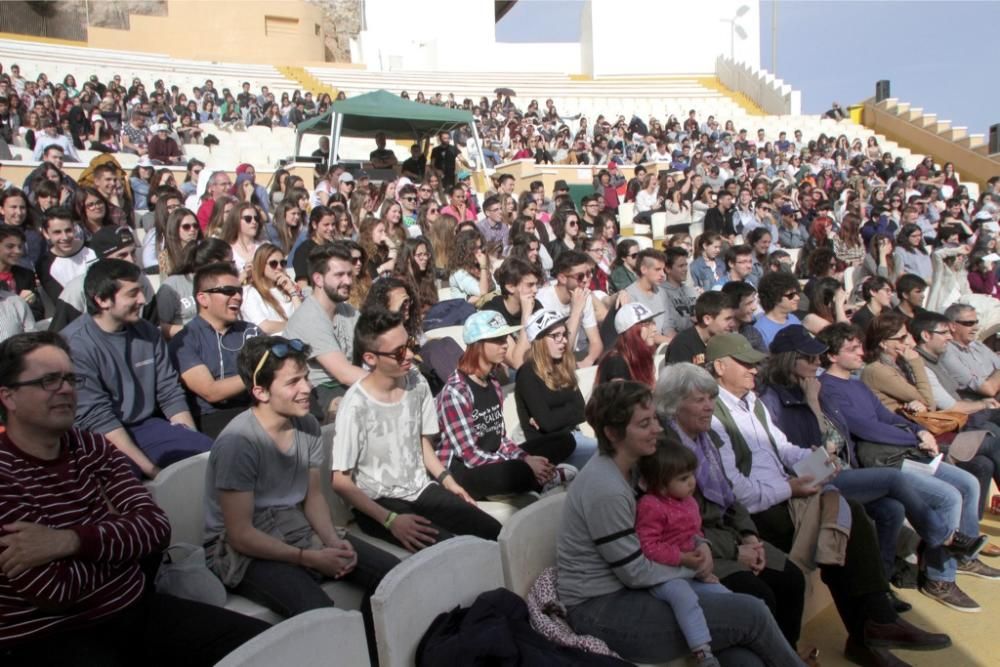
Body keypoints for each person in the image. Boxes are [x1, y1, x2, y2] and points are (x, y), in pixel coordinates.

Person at [0, 331, 267, 666]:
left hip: (133, 609)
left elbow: (156, 530)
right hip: (51, 636)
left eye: (70, 378)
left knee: (261, 646)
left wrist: (68, 541)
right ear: (8, 396)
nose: (66, 389)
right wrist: (121, 547)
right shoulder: (5, 474)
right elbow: (54, 591)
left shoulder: (91, 447)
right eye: (49, 380)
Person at [706, 332, 952, 663]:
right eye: (745, 362)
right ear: (719, 367)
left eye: (754, 362)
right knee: (845, 518)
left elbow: (783, 448)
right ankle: (874, 625)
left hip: (785, 495)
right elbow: (736, 491)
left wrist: (815, 459)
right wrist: (791, 488)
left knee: (847, 518)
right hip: (758, 512)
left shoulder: (754, 403)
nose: (753, 369)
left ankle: (872, 628)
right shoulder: (711, 413)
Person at [557, 380, 805, 666]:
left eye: (654, 419)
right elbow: (635, 573)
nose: (658, 429)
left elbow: (676, 522)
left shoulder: (639, 466)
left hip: (641, 589)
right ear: (613, 433)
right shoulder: (606, 488)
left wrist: (702, 544)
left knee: (744, 659)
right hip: (601, 608)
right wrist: (695, 568)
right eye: (645, 423)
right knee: (752, 612)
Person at [204, 336, 399, 662]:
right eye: (293, 381)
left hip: (292, 525)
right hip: (242, 550)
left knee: (392, 577)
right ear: (260, 392)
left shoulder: (306, 424)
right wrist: (309, 557)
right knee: (318, 611)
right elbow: (239, 533)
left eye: (306, 377)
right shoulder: (239, 442)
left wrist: (329, 541)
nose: (307, 388)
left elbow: (313, 497)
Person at [757, 325, 982, 593]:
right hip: (811, 478)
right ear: (790, 360)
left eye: (817, 357)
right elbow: (800, 455)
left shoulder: (809, 389)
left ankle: (882, 586)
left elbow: (867, 425)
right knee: (898, 480)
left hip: (832, 468)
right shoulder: (779, 399)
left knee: (893, 509)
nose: (816, 363)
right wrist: (815, 406)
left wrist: (919, 430)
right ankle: (943, 538)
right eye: (810, 358)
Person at [816, 323, 993, 611]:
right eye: (852, 349)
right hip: (885, 460)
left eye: (860, 346)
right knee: (947, 497)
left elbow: (884, 416)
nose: (861, 352)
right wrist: (912, 437)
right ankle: (940, 578)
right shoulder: (829, 389)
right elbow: (866, 428)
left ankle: (964, 556)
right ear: (832, 356)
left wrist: (919, 432)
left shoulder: (857, 383)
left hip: (905, 452)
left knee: (968, 483)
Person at [655, 364, 812, 653]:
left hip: (732, 535)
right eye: (699, 400)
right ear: (674, 404)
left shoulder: (708, 439)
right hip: (702, 547)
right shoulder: (665, 452)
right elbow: (678, 525)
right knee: (760, 595)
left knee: (791, 579)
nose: (709, 408)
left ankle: (787, 656)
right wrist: (735, 550)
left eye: (711, 399)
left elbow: (730, 494)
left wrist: (749, 535)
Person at [332, 309, 502, 551]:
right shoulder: (355, 405)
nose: (410, 355)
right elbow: (340, 482)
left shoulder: (417, 381)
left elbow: (423, 444)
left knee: (494, 532)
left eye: (409, 345)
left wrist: (449, 482)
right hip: (378, 503)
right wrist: (390, 521)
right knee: (450, 549)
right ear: (370, 358)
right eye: (398, 352)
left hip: (421, 489)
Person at [63, 259, 212, 478]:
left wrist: (190, 441)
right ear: (102, 300)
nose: (143, 300)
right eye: (132, 294)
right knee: (125, 480)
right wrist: (154, 472)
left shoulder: (148, 332)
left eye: (141, 291)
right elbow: (98, 419)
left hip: (147, 426)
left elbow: (169, 392)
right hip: (98, 438)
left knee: (209, 454)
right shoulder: (75, 345)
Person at [435, 310, 575, 499]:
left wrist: (525, 457)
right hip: (464, 471)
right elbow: (469, 455)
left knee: (564, 440)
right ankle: (542, 477)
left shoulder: (492, 382)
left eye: (505, 339)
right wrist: (525, 464)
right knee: (517, 472)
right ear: (478, 345)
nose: (505, 346)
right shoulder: (456, 392)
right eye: (498, 340)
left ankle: (540, 476)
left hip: (493, 457)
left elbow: (499, 439)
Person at [637, 442, 733, 667]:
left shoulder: (688, 501)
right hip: (662, 574)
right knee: (684, 598)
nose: (692, 482)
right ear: (661, 485)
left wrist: (700, 545)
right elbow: (647, 545)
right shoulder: (651, 505)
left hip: (688, 567)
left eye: (691, 474)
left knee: (725, 595)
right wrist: (682, 558)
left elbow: (694, 531)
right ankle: (702, 652)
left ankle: (728, 638)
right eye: (683, 478)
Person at [169, 263, 260, 438]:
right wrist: (262, 372)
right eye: (228, 291)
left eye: (239, 291)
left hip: (257, 406)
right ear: (203, 298)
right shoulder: (185, 340)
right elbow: (211, 392)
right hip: (215, 417)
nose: (237, 297)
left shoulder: (251, 331)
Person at [285, 243, 365, 423]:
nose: (348, 281)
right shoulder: (309, 317)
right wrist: (388, 380)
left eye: (349, 274)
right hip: (321, 393)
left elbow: (375, 341)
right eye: (339, 275)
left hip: (350, 383)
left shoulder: (347, 311)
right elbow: (343, 373)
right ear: (318, 279)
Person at [515, 309, 598, 470]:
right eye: (555, 336)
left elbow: (582, 410)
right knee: (611, 455)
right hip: (552, 449)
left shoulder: (563, 366)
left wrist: (554, 415)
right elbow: (548, 423)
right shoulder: (527, 373)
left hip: (575, 437)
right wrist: (567, 412)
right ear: (539, 340)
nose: (564, 341)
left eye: (564, 334)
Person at [537, 250, 603, 367]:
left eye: (588, 273)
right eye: (580, 276)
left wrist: (589, 361)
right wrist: (576, 311)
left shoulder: (582, 294)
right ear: (562, 278)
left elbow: (596, 342)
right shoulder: (543, 300)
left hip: (577, 357)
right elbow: (562, 349)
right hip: (551, 360)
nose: (586, 280)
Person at [157, 238, 233, 339]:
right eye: (229, 263)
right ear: (214, 262)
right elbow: (161, 327)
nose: (232, 268)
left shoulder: (225, 286)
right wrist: (196, 331)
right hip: (185, 343)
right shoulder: (172, 287)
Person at [481, 257, 542, 369]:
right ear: (510, 287)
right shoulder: (492, 312)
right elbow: (518, 363)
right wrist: (526, 317)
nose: (536, 290)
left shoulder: (536, 305)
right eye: (530, 285)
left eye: (536, 284)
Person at [939, 302, 1000, 400]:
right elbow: (988, 389)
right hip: (980, 408)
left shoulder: (977, 345)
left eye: (976, 322)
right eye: (969, 323)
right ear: (952, 326)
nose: (976, 328)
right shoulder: (947, 353)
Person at [36, 206, 96, 302]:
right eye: (57, 232)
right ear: (46, 233)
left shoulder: (93, 248)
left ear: (74, 228)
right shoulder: (45, 264)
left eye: (68, 230)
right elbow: (61, 300)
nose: (64, 237)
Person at [242, 242, 304, 334]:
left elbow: (303, 318)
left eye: (283, 263)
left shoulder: (287, 288)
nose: (279, 267)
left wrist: (292, 291)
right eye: (273, 264)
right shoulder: (249, 292)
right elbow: (264, 326)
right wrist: (293, 324)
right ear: (261, 265)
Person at [665, 291, 736, 365]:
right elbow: (680, 376)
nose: (733, 324)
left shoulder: (725, 341)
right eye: (727, 319)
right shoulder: (682, 345)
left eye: (733, 319)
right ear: (707, 319)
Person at [597, 302, 659, 385]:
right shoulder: (616, 363)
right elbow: (621, 396)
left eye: (653, 322)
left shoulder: (642, 355)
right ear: (631, 330)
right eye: (647, 324)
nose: (654, 329)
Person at [624, 249, 673, 345]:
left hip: (665, 346)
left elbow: (668, 325)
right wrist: (673, 342)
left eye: (663, 269)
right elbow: (642, 334)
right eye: (657, 269)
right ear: (643, 270)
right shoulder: (630, 295)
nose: (663, 274)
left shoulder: (661, 292)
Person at [753, 271, 802, 347]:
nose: (797, 298)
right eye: (791, 295)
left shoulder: (794, 319)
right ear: (775, 297)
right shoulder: (759, 330)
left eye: (797, 293)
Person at [721, 280, 767, 353]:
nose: (754, 307)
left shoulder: (752, 333)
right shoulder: (719, 333)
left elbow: (764, 361)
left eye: (754, 302)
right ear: (732, 305)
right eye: (749, 303)